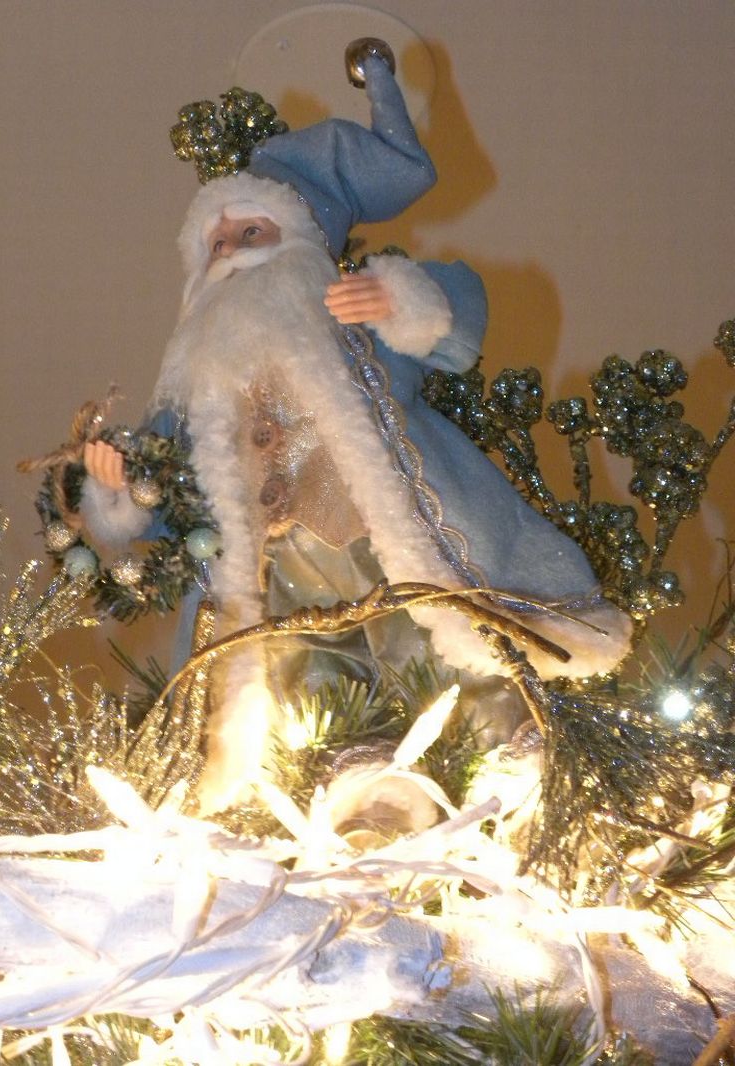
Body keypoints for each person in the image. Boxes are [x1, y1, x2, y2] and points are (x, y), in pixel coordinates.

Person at [81, 46, 631, 809]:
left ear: (302, 246)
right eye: (216, 245)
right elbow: (167, 497)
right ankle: (365, 785)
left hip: (389, 545)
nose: (233, 256)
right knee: (305, 672)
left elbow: (455, 320)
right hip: (280, 571)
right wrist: (119, 494)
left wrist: (401, 301)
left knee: (440, 644)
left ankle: (506, 750)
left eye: (252, 234)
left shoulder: (350, 330)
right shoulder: (197, 396)